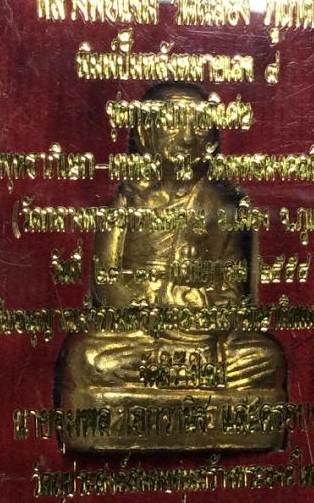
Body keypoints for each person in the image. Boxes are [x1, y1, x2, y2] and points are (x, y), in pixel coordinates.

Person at [55, 82, 287, 450]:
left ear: (211, 137)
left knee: (264, 359)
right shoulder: (127, 204)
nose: (187, 137)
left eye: (198, 125)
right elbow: (106, 285)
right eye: (173, 123)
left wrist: (202, 309)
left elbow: (234, 293)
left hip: (205, 341)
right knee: (88, 358)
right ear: (146, 134)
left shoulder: (225, 207)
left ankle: (186, 391)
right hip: (143, 336)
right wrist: (163, 300)